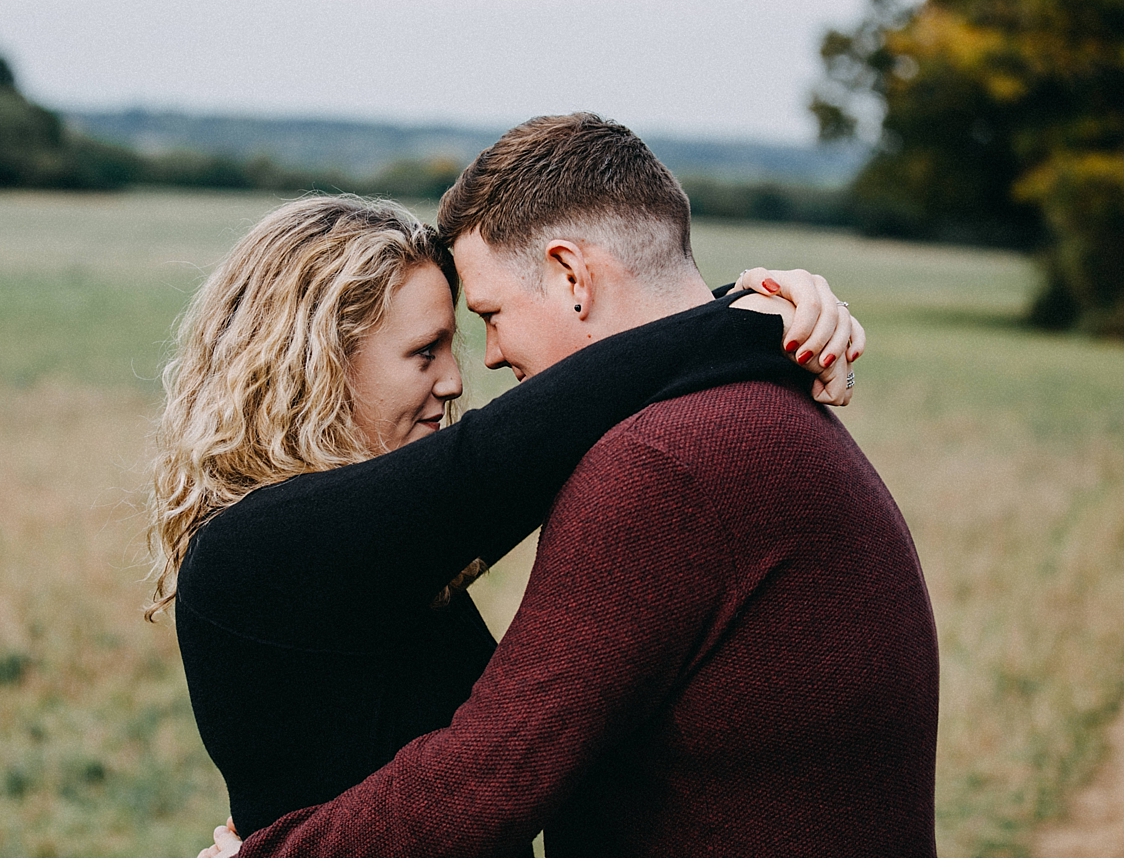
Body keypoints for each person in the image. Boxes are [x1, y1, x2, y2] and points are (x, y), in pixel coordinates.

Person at [208, 114, 937, 858]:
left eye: (488, 315)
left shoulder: (664, 460)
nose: (483, 363)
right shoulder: (747, 410)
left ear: (571, 276)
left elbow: (490, 773)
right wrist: (745, 318)